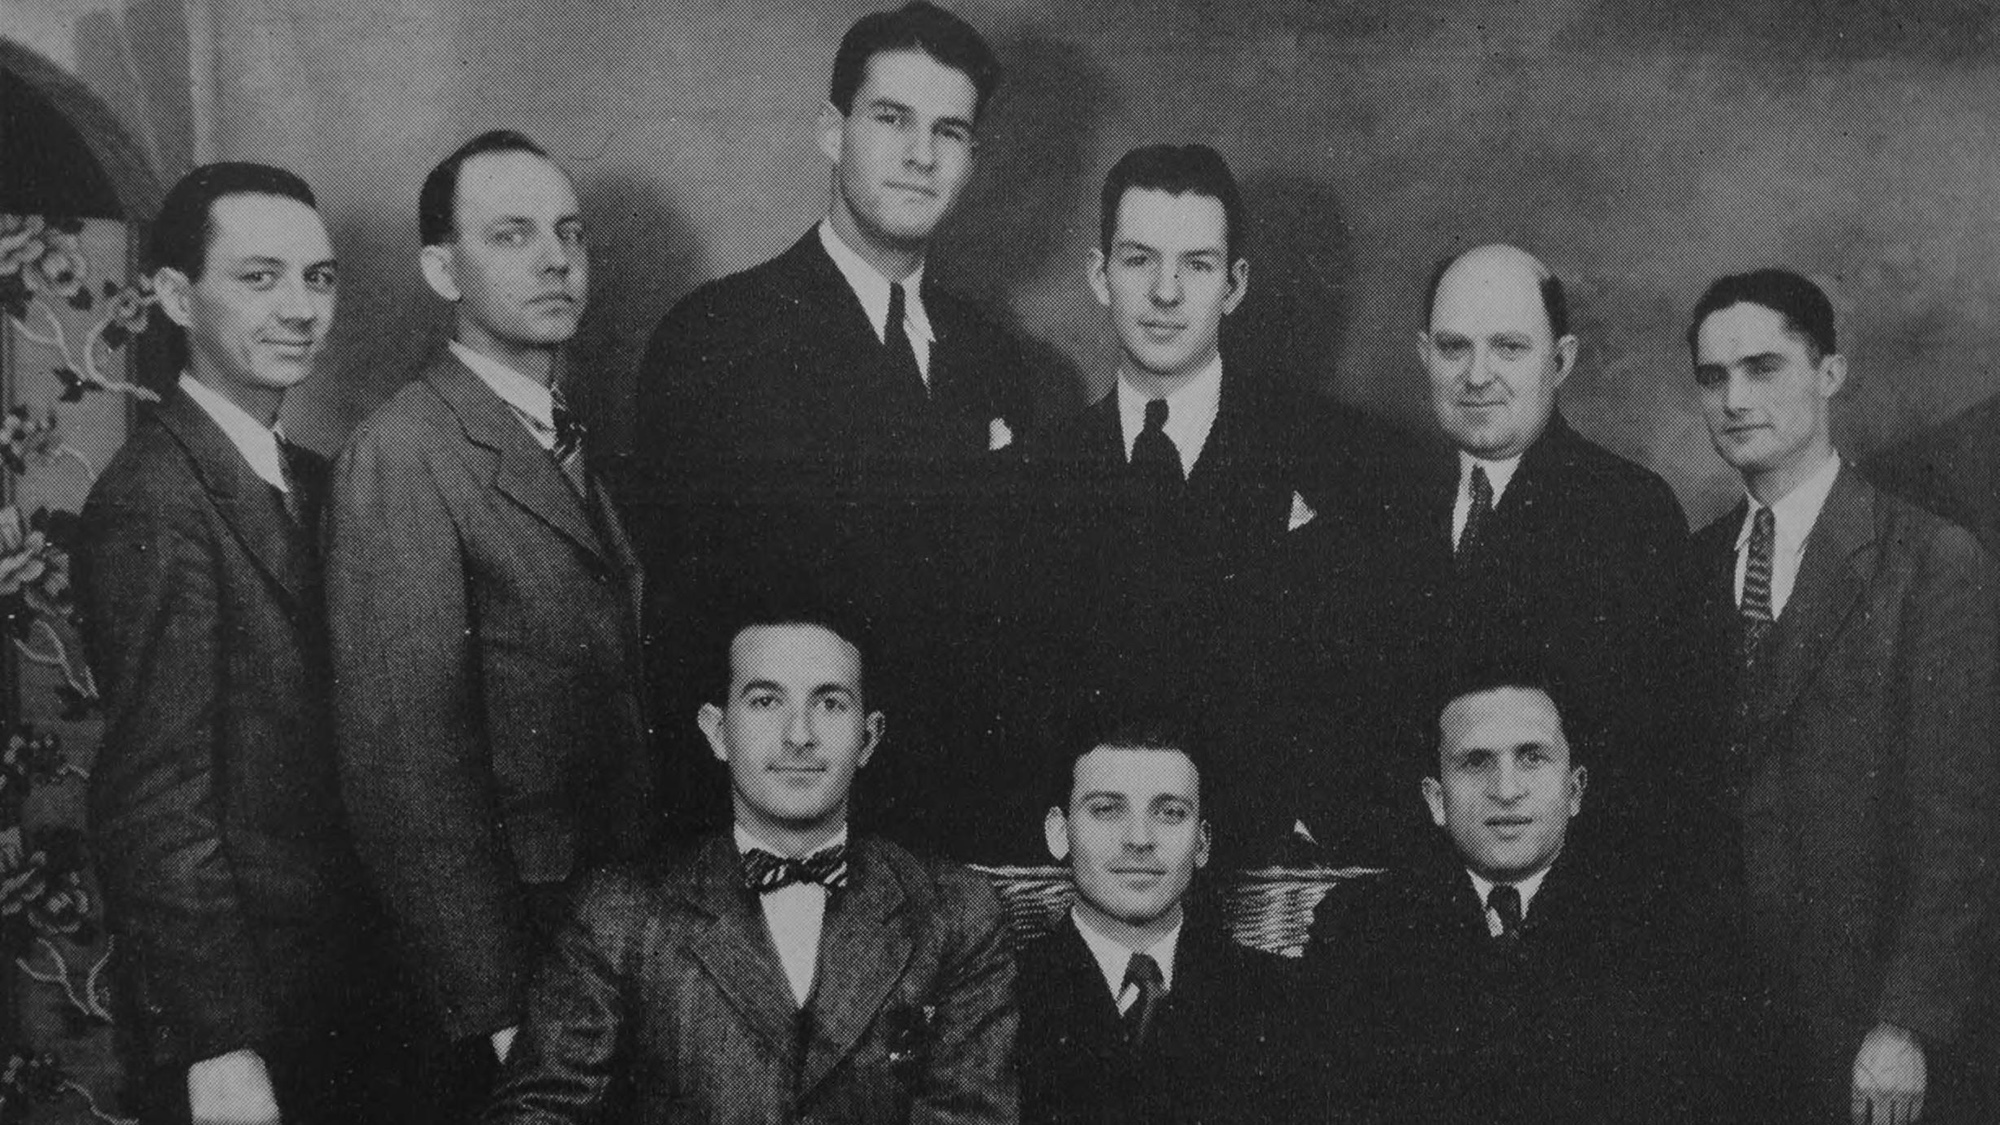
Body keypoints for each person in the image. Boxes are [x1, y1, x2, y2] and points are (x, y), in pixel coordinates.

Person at [629, 0, 1036, 854]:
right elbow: (683, 644)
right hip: (784, 848)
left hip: (962, 849)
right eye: (892, 119)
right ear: (831, 129)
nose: (921, 156)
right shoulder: (717, 337)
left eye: (950, 132)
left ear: (972, 158)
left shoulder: (997, 362)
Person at [325, 130, 658, 1120]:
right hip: (513, 979)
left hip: (604, 946)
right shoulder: (404, 452)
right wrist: (508, 1017)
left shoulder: (561, 435)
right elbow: (405, 775)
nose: (555, 260)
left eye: (570, 233)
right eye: (511, 235)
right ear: (441, 267)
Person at [76, 162, 376, 1124]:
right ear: (173, 295)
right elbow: (156, 802)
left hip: (340, 998)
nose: (301, 309)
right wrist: (218, 1045)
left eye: (319, 278)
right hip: (246, 1029)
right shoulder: (154, 498)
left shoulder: (312, 477)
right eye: (260, 277)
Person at [483, 602, 1019, 1124]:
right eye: (766, 702)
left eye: (830, 704)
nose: (799, 736)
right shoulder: (622, 915)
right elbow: (536, 1112)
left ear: (868, 738)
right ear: (718, 733)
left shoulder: (956, 913)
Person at [1687, 268, 1998, 1124]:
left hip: (1872, 1040)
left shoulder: (1934, 563)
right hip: (1722, 1033)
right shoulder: (1691, 565)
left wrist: (1907, 1022)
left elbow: (1963, 828)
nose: (1735, 398)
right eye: (1713, 378)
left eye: (1763, 368)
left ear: (1829, 373)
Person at [1386, 244, 1701, 876]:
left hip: (1576, 908)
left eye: (1508, 348)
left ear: (1561, 361)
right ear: (1424, 355)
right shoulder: (1382, 507)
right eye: (1453, 348)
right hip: (1412, 906)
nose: (1476, 376)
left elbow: (1653, 766)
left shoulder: (1630, 513)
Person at [1305, 672, 1690, 1124]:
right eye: (1475, 762)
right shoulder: (1358, 925)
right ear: (1436, 800)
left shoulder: (1661, 926)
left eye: (1531, 758)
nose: (1506, 791)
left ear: (1574, 789)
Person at [1014, 725, 1304, 1125]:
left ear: (1202, 842)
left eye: (1170, 813)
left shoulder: (1281, 997)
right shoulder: (1000, 996)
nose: (1138, 839)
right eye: (1106, 809)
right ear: (1059, 832)